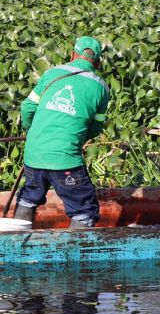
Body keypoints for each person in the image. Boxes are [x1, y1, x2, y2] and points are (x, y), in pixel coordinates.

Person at [14, 36, 110, 229]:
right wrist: (74, 138)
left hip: (34, 154)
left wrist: (32, 132)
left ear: (73, 54)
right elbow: (97, 127)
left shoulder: (52, 73)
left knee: (28, 198)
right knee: (84, 211)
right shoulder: (101, 87)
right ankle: (73, 256)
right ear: (98, 62)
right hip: (65, 158)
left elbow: (27, 108)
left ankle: (16, 245)